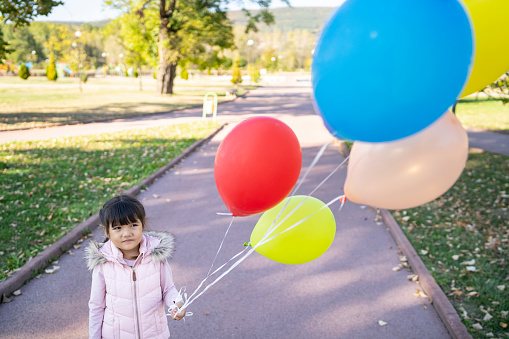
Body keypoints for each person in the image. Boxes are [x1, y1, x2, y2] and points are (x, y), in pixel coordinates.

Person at [86, 194, 186, 339]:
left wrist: (177, 303)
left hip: (155, 334)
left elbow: (168, 289)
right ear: (106, 231)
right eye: (118, 228)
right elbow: (96, 306)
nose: (126, 233)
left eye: (133, 225)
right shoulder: (103, 262)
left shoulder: (156, 255)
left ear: (143, 225)